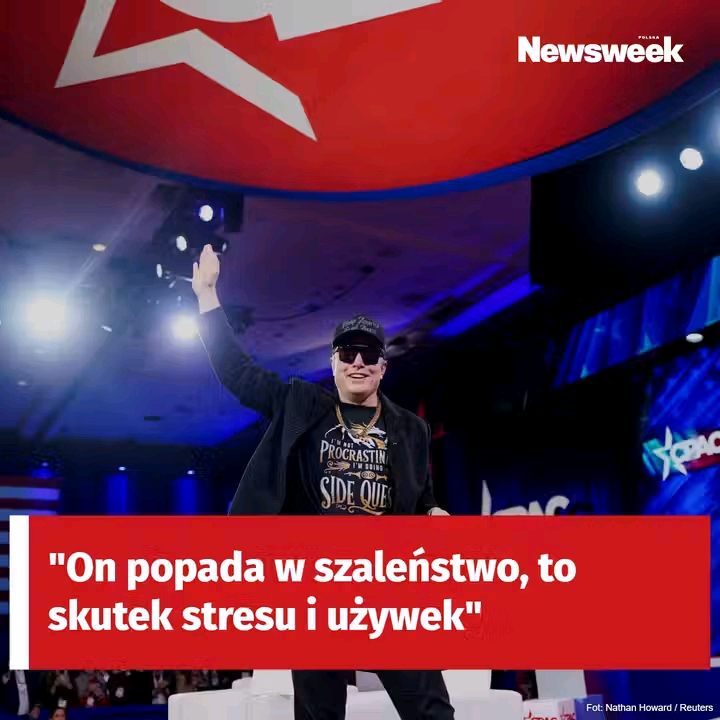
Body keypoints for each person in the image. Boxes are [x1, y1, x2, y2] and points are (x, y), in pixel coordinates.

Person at [192, 244, 454, 720]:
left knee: (432, 711)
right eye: (348, 353)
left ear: (383, 366)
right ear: (334, 362)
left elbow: (421, 499)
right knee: (320, 715)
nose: (358, 362)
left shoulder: (412, 429)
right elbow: (239, 374)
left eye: (369, 354)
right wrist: (207, 296)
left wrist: (433, 512)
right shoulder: (302, 406)